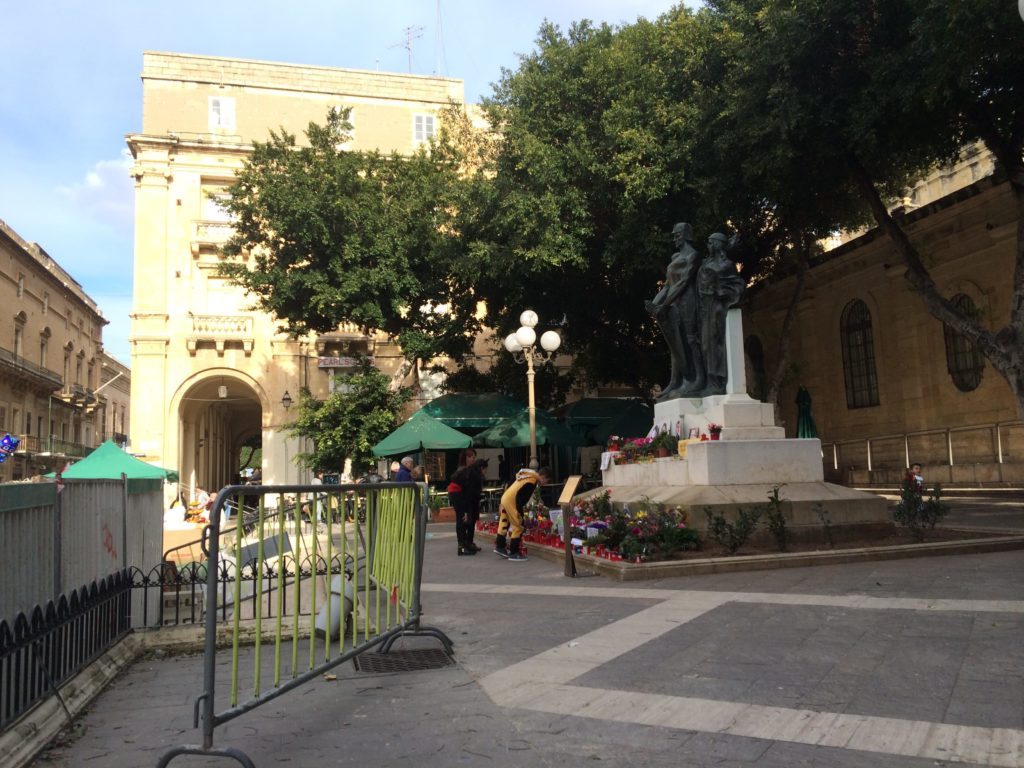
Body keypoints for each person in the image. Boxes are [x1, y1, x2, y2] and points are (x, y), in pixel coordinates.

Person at [646, 222, 706, 400]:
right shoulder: (675, 258)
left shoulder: (694, 256)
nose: (674, 238)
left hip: (688, 302)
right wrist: (654, 304)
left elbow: (683, 282)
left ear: (686, 235)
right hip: (672, 304)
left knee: (690, 340)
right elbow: (668, 285)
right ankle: (674, 382)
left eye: (677, 235)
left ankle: (699, 379)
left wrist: (663, 306)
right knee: (675, 342)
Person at [697, 232, 745, 394]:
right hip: (704, 307)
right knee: (705, 345)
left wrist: (722, 292)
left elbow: (737, 284)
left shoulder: (727, 266)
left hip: (716, 306)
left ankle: (716, 381)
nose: (708, 246)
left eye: (711, 243)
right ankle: (710, 380)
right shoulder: (705, 263)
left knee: (714, 343)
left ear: (718, 244)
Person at [494, 466, 551, 562]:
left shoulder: (525, 475)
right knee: (519, 526)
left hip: (505, 498)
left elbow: (510, 484)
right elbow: (520, 496)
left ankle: (500, 546)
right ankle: (514, 552)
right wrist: (519, 512)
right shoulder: (532, 481)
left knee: (504, 522)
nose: (546, 484)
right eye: (547, 481)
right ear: (544, 477)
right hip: (513, 501)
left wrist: (502, 501)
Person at [448, 448, 485, 556]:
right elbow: (465, 487)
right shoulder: (463, 470)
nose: (473, 458)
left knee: (467, 519)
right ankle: (462, 548)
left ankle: (467, 544)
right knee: (461, 519)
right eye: (470, 456)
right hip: (457, 494)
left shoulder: (468, 469)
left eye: (474, 456)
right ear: (465, 458)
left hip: (461, 494)